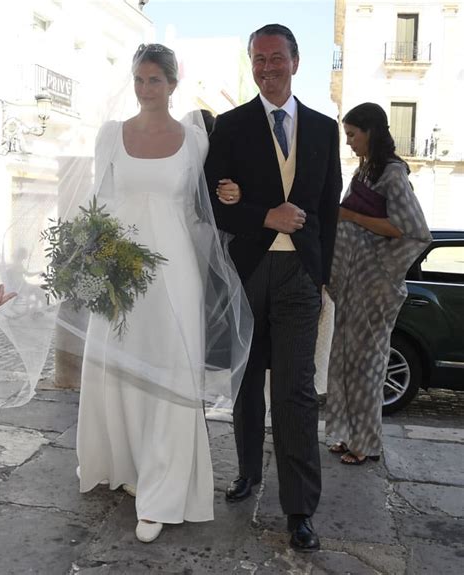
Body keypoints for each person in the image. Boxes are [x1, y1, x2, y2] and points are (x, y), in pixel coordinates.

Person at [77, 44, 252, 544]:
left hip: (175, 271)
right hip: (118, 269)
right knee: (117, 364)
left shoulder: (195, 140)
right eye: (139, 79)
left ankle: (163, 489)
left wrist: (235, 193)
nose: (146, 88)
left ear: (173, 84)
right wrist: (93, 269)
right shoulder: (110, 135)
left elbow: (216, 193)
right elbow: (98, 201)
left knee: (172, 369)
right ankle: (123, 463)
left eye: (155, 79)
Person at [205, 24, 342, 552]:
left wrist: (322, 272)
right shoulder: (233, 127)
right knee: (245, 384)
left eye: (276, 58)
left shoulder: (325, 130)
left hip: (299, 278)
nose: (267, 67)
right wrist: (266, 214)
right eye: (258, 59)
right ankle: (247, 472)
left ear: (295, 60)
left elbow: (328, 208)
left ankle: (300, 508)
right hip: (247, 273)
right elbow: (213, 201)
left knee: (295, 393)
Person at [325, 102, 432, 465]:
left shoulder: (392, 174)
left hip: (374, 287)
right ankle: (347, 433)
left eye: (353, 135)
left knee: (367, 364)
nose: (350, 142)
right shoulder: (366, 171)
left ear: (371, 131)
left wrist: (350, 215)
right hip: (353, 285)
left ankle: (366, 443)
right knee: (344, 360)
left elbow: (411, 229)